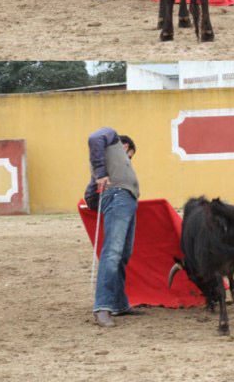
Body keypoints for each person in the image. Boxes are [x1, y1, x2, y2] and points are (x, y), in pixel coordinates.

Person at [84, 126, 144, 328]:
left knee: (122, 253)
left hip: (125, 199)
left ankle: (118, 304)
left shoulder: (112, 154)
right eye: (130, 155)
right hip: (118, 196)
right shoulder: (111, 136)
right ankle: (102, 306)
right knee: (113, 251)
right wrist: (101, 173)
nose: (129, 159)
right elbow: (94, 138)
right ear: (125, 146)